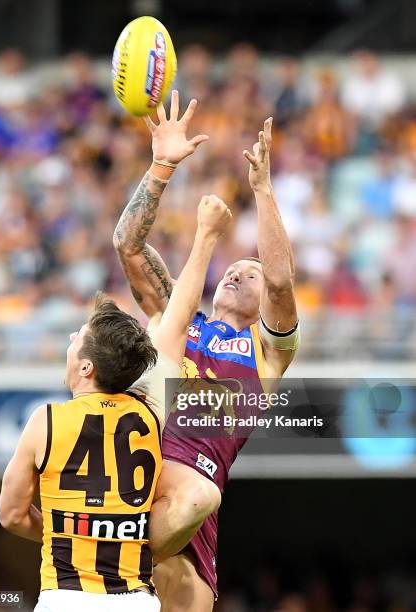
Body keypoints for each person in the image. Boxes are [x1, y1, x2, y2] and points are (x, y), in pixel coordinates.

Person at [0, 193, 232, 612]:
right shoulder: (148, 412)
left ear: (86, 367)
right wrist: (207, 236)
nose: (71, 340)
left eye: (78, 339)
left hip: (64, 597)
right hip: (134, 599)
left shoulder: (46, 421)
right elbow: (178, 320)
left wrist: (67, 532)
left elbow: (12, 516)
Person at [113, 91, 299, 611]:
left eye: (252, 272)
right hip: (135, 471)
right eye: (235, 267)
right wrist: (161, 166)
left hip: (188, 509)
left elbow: (282, 282)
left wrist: (262, 189)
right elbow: (127, 246)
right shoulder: (179, 316)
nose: (241, 269)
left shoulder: (266, 352)